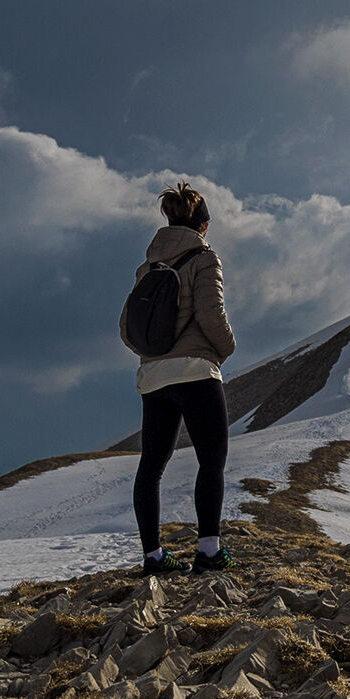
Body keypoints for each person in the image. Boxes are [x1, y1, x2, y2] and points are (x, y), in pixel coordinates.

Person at [130, 182, 238, 575]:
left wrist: (152, 358)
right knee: (212, 459)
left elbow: (128, 328)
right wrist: (225, 349)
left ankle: (153, 557)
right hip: (196, 371)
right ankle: (208, 551)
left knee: (152, 467)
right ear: (204, 225)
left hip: (153, 377)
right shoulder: (204, 258)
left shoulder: (148, 267)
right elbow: (212, 315)